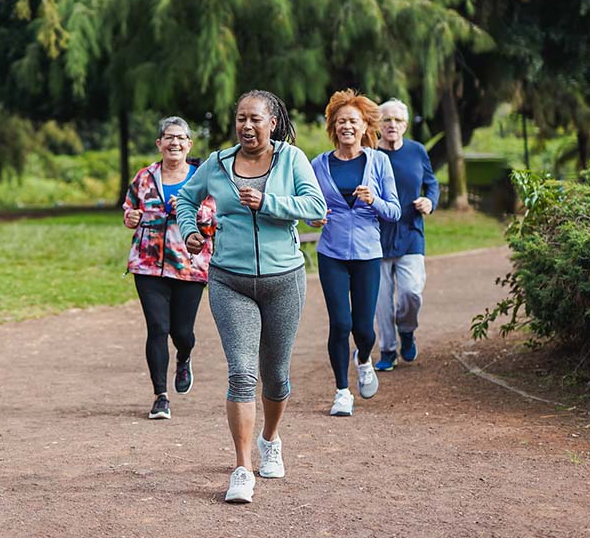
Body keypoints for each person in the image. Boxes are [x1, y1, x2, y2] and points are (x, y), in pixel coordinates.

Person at [175, 90, 327, 504]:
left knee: (275, 375)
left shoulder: (292, 159)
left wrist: (269, 202)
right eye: (241, 118)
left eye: (255, 119)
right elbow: (185, 199)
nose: (247, 126)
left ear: (272, 122)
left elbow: (316, 208)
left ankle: (270, 439)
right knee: (241, 373)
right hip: (230, 280)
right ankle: (242, 468)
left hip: (284, 280)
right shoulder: (218, 163)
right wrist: (190, 231)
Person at [307, 89, 400, 417]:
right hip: (331, 252)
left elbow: (395, 211)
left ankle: (363, 359)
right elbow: (310, 208)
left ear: (364, 127)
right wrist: (313, 218)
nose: (347, 126)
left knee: (364, 328)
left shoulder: (379, 161)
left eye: (354, 121)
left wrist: (374, 200)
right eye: (341, 120)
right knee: (340, 323)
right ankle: (341, 391)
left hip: (366, 253)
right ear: (333, 126)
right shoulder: (318, 164)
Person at [123, 116, 217, 420]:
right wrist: (131, 218)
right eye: (168, 137)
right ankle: (160, 396)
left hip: (189, 263)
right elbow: (129, 208)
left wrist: (190, 209)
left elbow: (215, 219)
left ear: (189, 144)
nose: (174, 142)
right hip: (147, 262)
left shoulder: (202, 178)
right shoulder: (145, 177)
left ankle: (185, 355)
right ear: (159, 143)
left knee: (182, 331)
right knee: (157, 328)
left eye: (181, 138)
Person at [374, 98, 439, 371]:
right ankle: (388, 350)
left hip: (411, 233)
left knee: (411, 293)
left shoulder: (416, 151)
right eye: (386, 120)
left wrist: (429, 202)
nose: (392, 125)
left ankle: (407, 331)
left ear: (405, 125)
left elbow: (431, 183)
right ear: (378, 124)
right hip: (376, 236)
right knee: (381, 301)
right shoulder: (368, 153)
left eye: (398, 120)